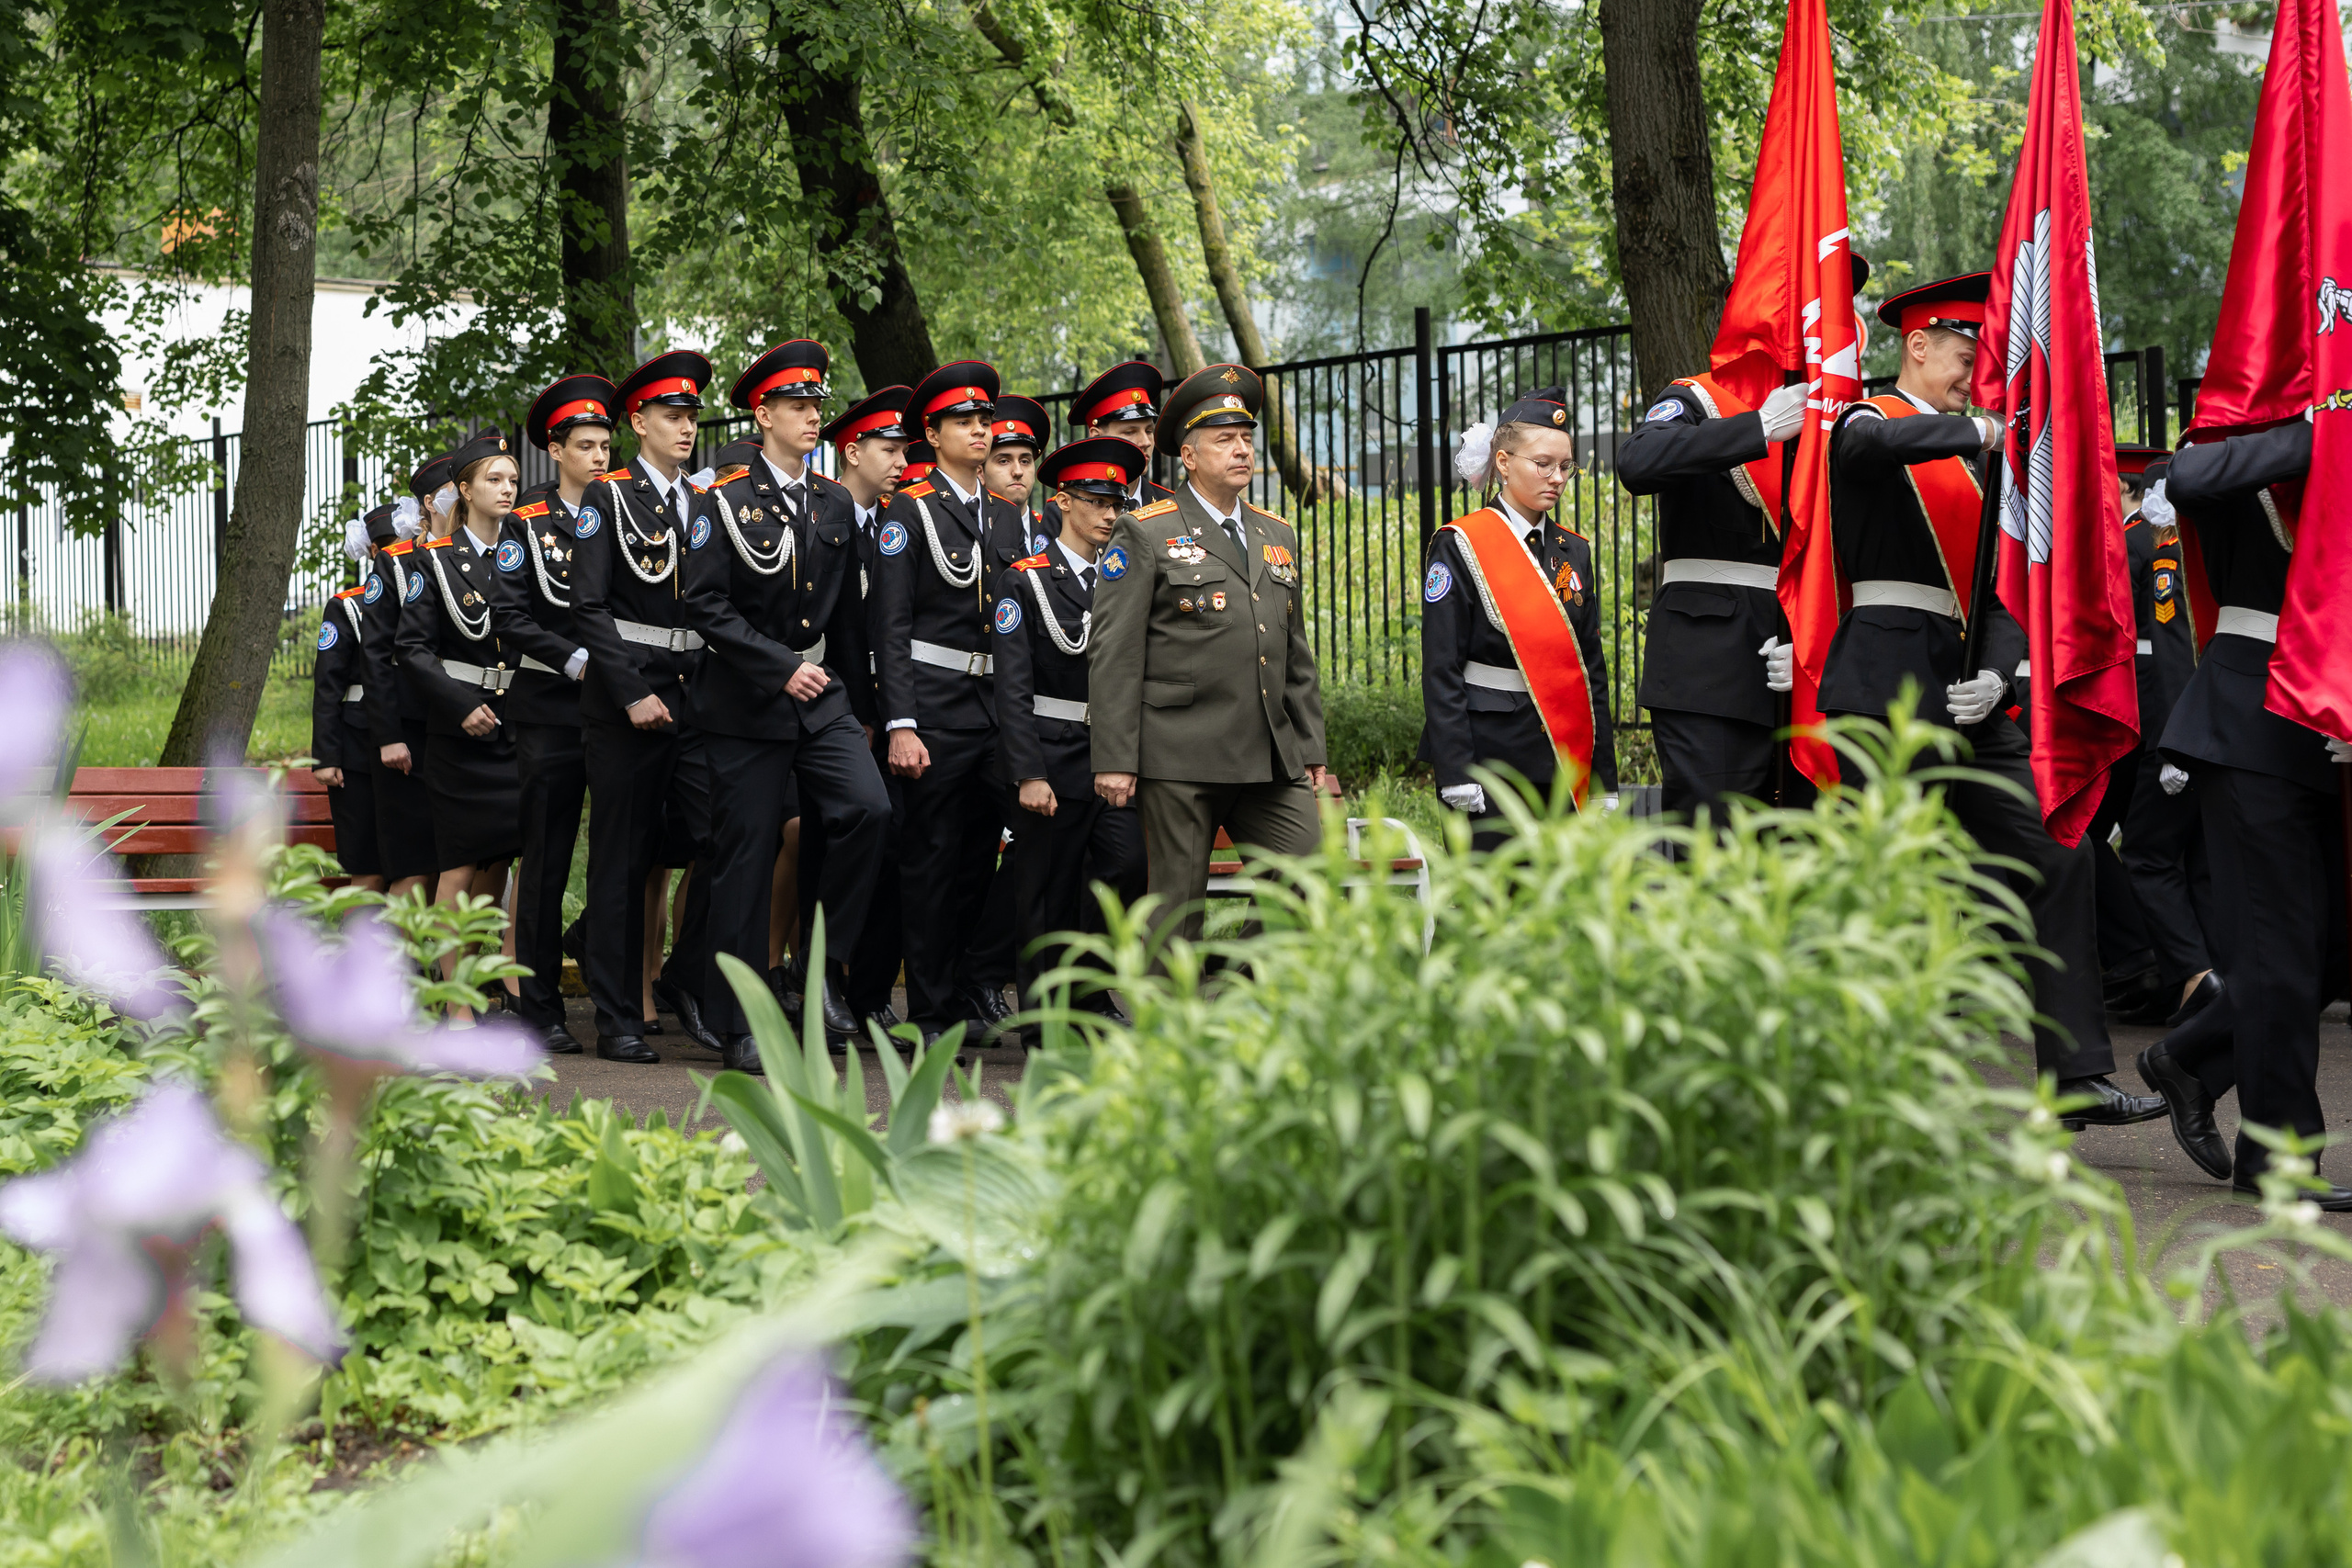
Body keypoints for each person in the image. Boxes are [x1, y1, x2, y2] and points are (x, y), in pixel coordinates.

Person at [1820, 271, 2162, 1129]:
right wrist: (1973, 428)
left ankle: (2076, 1074)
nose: (1972, 376)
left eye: (1982, 364)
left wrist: (2001, 667)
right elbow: (1862, 451)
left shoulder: (1982, 457)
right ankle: (1873, 1082)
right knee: (1891, 883)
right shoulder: (1871, 419)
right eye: (1961, 359)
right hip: (1886, 683)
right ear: (1918, 346)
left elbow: (2011, 588)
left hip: (1970, 686)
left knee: (2059, 848)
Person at [2140, 416, 2350, 1201]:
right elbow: (2183, 476)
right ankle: (2279, 1159)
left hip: (2332, 728)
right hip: (2252, 719)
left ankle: (2191, 1057)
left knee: (2330, 949)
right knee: (2278, 955)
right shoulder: (2244, 438)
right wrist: (2328, 430)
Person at [684, 340, 889, 1068]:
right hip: (745, 701)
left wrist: (864, 708)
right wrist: (777, 669)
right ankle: (738, 1019)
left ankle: (816, 966)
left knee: (869, 808)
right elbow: (702, 602)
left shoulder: (834, 499)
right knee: (747, 853)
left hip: (821, 697)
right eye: (798, 406)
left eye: (816, 406)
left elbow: (850, 620)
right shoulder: (723, 500)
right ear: (763, 414)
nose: (812, 417)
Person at [1616, 259, 1868, 819]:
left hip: (1804, 663)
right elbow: (1637, 462)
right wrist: (1756, 429)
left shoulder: (1840, 421)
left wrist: (1816, 638)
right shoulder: (1699, 398)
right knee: (1717, 844)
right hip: (1710, 667)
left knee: (1798, 849)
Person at [1090, 363, 1329, 944]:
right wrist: (1115, 757)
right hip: (1181, 753)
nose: (1241, 450)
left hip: (1268, 752)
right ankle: (1167, 1028)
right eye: (1225, 440)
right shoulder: (1146, 531)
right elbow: (1114, 651)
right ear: (1190, 457)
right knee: (1175, 914)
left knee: (1304, 877)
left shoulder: (1277, 534)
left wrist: (1312, 743)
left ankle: (1240, 997)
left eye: (1246, 438)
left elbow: (1290, 646)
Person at [568, 349, 719, 1063]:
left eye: (691, 415)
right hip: (630, 697)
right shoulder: (609, 495)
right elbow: (588, 606)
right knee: (623, 862)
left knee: (720, 833)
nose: (686, 426)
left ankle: (688, 977)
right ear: (640, 421)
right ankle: (619, 1013)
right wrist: (631, 691)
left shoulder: (704, 498)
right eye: (672, 415)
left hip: (699, 694)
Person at [871, 361, 1031, 1039]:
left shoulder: (1006, 514)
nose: (979, 430)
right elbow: (891, 624)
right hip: (934, 712)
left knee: (1034, 836)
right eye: (964, 422)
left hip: (998, 712)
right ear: (931, 435)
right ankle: (932, 1013)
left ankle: (980, 971)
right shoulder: (908, 509)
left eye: (983, 420)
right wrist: (901, 723)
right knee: (935, 864)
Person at [1419, 388, 1619, 847]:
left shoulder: (1575, 550)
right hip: (1488, 749)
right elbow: (1442, 666)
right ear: (1504, 463)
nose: (1557, 477)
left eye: (1566, 466)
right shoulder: (1462, 542)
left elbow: (1592, 671)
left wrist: (1603, 773)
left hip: (1560, 746)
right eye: (1543, 463)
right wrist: (1455, 768)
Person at [992, 437, 1148, 1015]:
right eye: (1097, 501)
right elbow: (1011, 690)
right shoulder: (1025, 581)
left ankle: (1086, 993)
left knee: (1126, 865)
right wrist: (1028, 774)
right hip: (1052, 756)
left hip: (1110, 755)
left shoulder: (1126, 578)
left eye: (1117, 503)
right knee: (1044, 894)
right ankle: (1043, 1023)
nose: (1110, 515)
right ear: (1063, 501)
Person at [489, 373, 616, 1055]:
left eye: (605, 444)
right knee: (547, 860)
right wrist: (574, 659)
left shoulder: (622, 512)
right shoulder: (527, 524)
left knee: (628, 849)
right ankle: (537, 1007)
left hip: (618, 706)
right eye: (586, 445)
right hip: (550, 708)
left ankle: (613, 988)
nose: (600, 457)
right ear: (557, 450)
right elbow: (508, 616)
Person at [396, 428, 525, 1022]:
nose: (506, 489)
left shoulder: (523, 553)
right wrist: (457, 704)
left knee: (501, 862)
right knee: (461, 863)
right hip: (458, 732)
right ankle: (454, 1004)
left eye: (512, 480)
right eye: (493, 479)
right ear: (465, 490)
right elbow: (413, 650)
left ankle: (478, 979)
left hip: (513, 727)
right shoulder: (433, 563)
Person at [2112, 457, 2222, 1026]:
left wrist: (2175, 738)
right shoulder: (2196, 545)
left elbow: (2173, 642)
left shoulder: (2158, 547)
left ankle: (2197, 980)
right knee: (2195, 859)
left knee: (2149, 855)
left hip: (2171, 725)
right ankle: (2206, 979)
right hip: (2204, 723)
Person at [820, 384, 915, 1032]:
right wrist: (851, 704)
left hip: (887, 710)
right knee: (851, 833)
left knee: (897, 842)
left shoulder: (891, 524)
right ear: (852, 452)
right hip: (833, 709)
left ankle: (866, 987)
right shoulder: (822, 518)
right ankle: (820, 971)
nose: (901, 460)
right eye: (889, 448)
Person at [361, 453, 454, 900]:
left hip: (466, 727)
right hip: (411, 729)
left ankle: (458, 968)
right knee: (416, 866)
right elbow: (376, 656)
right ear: (433, 501)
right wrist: (387, 734)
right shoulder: (397, 563)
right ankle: (394, 971)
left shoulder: (488, 550)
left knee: (463, 864)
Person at [309, 502, 393, 894]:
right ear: (374, 552)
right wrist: (326, 755)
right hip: (358, 747)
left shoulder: (426, 592)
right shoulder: (347, 605)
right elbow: (328, 685)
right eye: (391, 546)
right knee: (367, 866)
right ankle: (358, 953)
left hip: (413, 740)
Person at [1074, 361, 1177, 508]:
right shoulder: (1071, 508)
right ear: (1097, 437)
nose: (1146, 442)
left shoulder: (1170, 505)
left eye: (1149, 431)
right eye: (1130, 432)